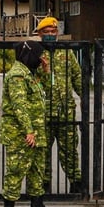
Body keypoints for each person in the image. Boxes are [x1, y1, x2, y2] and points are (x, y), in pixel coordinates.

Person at [0, 39, 53, 207]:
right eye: (39, 56)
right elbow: (19, 105)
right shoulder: (17, 75)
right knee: (16, 169)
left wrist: (45, 71)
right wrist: (28, 130)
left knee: (37, 169)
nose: (41, 59)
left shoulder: (30, 73)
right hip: (20, 132)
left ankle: (37, 206)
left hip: (36, 130)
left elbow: (45, 90)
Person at [35, 16, 83, 193]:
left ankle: (75, 183)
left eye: (53, 31)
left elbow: (77, 77)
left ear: (57, 33)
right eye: (46, 32)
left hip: (65, 112)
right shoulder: (36, 53)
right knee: (43, 151)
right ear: (40, 34)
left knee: (69, 150)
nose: (50, 34)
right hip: (42, 113)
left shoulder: (67, 52)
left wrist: (84, 98)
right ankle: (44, 185)